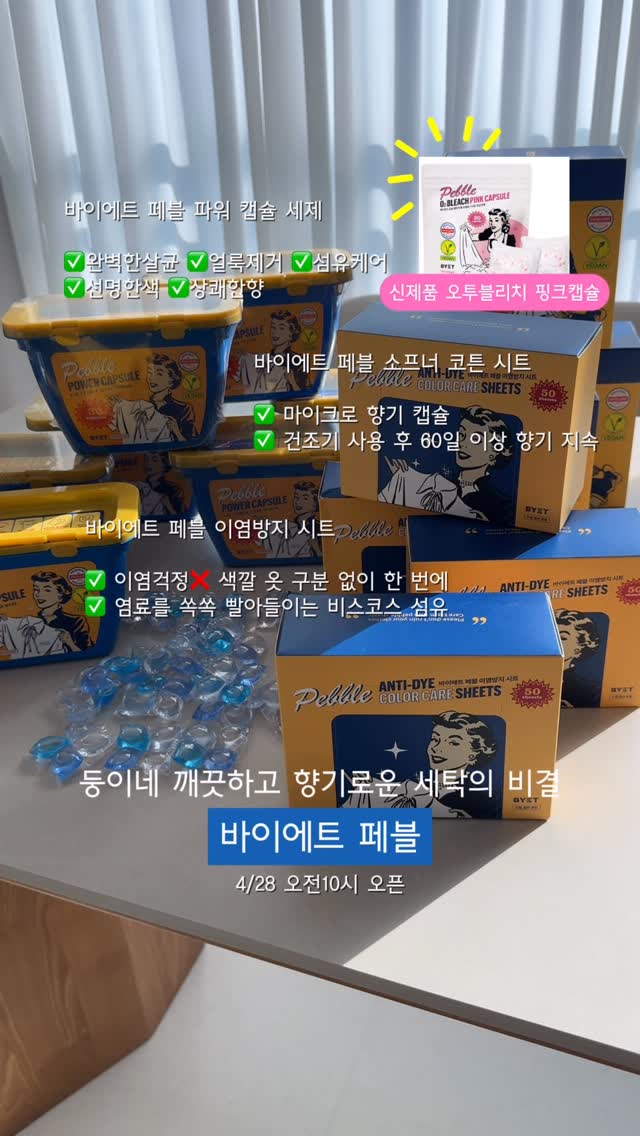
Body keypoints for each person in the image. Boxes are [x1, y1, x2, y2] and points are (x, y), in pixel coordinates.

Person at [340, 711, 500, 817]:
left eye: (453, 743)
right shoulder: (414, 785)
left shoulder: (479, 797)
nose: (437, 748)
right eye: (435, 739)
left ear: (473, 755)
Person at [378, 405, 514, 524]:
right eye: (462, 435)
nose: (462, 444)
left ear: (494, 453)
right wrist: (401, 479)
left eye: (476, 439)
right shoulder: (435, 482)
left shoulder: (502, 504)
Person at [110, 354, 195, 444]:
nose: (152, 377)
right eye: (150, 372)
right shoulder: (139, 407)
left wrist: (176, 431)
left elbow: (192, 445)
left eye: (159, 374)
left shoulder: (184, 408)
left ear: (171, 380)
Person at [238, 310, 310, 394]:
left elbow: (306, 393)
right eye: (273, 327)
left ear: (291, 333)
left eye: (281, 328)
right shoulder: (261, 359)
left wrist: (292, 382)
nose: (275, 332)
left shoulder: (298, 361)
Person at [555, 609, 602, 708]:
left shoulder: (591, 690)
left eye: (562, 638)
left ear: (579, 647)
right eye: (550, 636)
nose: (553, 642)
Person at [266, 480, 321, 559]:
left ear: (315, 503)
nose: (298, 502)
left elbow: (327, 559)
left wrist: (316, 548)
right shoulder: (287, 527)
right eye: (296, 497)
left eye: (305, 498)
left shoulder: (319, 528)